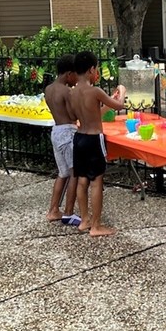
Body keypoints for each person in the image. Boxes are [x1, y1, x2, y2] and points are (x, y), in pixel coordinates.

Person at [69, 51, 125, 237]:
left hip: (79, 138)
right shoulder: (95, 91)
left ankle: (84, 220)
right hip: (94, 139)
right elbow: (119, 106)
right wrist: (122, 92)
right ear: (91, 69)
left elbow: (92, 113)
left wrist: (107, 102)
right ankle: (96, 226)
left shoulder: (73, 92)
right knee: (96, 182)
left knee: (82, 180)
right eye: (96, 69)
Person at [44, 54, 81, 225]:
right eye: (76, 75)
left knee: (63, 173)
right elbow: (73, 115)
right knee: (75, 173)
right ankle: (68, 212)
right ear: (68, 74)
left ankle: (53, 210)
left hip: (56, 131)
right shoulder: (66, 91)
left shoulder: (49, 89)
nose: (77, 79)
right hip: (67, 132)